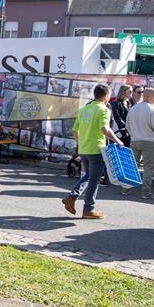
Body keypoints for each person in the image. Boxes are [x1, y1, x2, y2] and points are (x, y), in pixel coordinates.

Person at [62, 84, 124, 219]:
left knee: (89, 176)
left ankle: (72, 197)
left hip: (84, 149)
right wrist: (118, 141)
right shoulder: (104, 109)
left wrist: (80, 144)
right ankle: (88, 209)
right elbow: (104, 129)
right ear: (107, 96)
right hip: (96, 148)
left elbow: (74, 131)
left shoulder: (84, 109)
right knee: (94, 180)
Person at [126, 87, 154, 200]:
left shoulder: (133, 108)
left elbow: (127, 126)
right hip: (150, 141)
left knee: (132, 166)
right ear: (150, 96)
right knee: (149, 168)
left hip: (134, 140)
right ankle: (145, 192)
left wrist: (133, 134)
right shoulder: (152, 109)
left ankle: (126, 189)